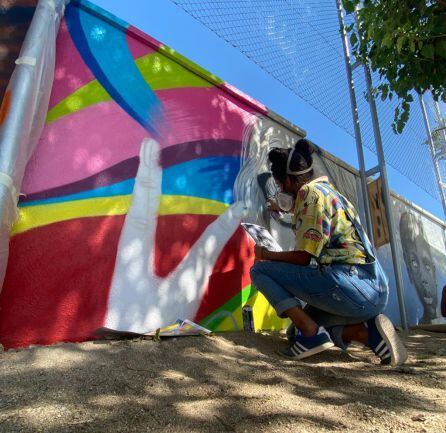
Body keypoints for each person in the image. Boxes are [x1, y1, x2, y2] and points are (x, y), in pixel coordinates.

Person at [250, 139, 407, 366]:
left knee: (260, 271)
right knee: (294, 334)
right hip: (374, 290)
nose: (281, 190)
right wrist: (282, 208)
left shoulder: (308, 195)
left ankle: (311, 334)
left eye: (279, 184)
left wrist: (266, 254)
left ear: (287, 180)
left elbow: (304, 258)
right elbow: (308, 213)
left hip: (350, 285)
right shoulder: (331, 194)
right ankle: (369, 334)